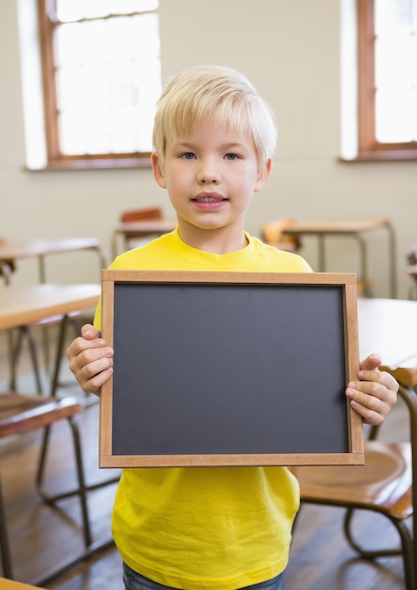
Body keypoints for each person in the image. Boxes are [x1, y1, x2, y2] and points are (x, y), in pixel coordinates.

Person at [66, 65, 399, 590]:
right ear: (159, 167)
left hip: (257, 543)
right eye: (188, 153)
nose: (208, 172)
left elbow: (320, 396)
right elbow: (114, 390)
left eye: (231, 154)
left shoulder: (296, 281)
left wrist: (370, 397)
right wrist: (89, 371)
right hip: (156, 544)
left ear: (262, 171)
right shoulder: (130, 280)